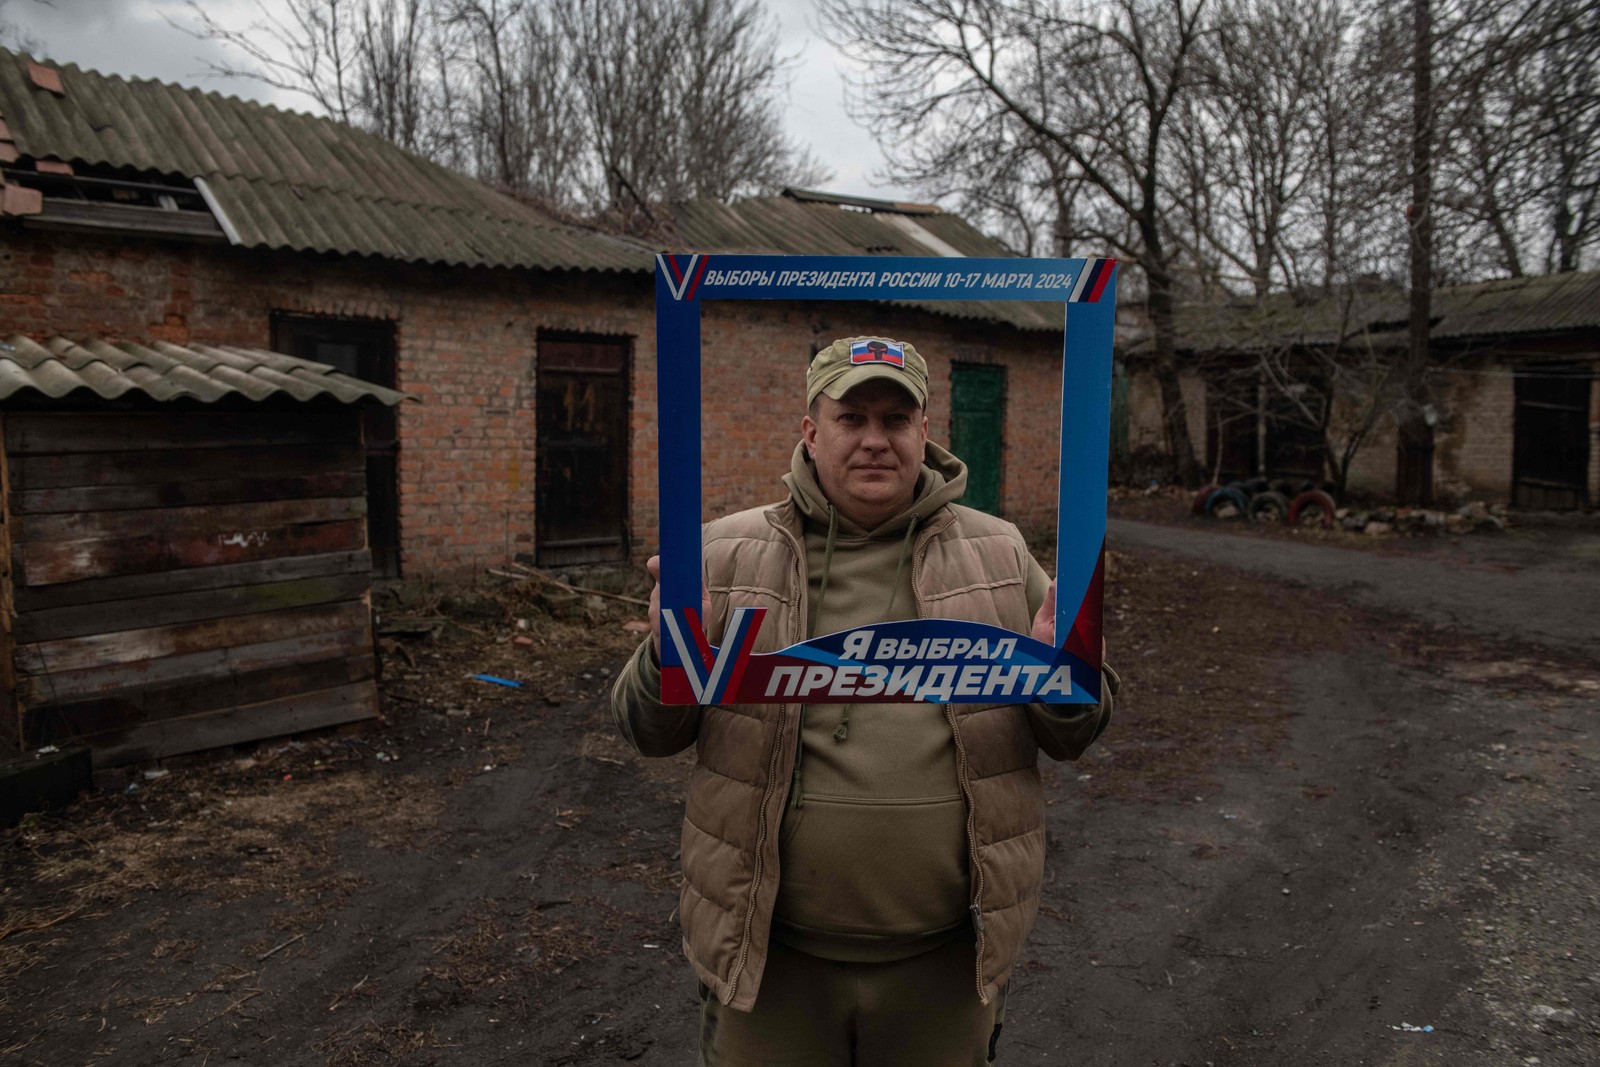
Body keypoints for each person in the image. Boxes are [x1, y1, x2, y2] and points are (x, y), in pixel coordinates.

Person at [611, 336, 1117, 1066]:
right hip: (770, 968)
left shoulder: (1000, 557)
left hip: (943, 968)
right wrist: (665, 657)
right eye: (852, 417)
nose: (875, 439)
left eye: (896, 418)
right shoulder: (722, 556)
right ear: (811, 432)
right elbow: (647, 729)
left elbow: (1074, 731)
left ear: (923, 431)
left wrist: (1070, 675)